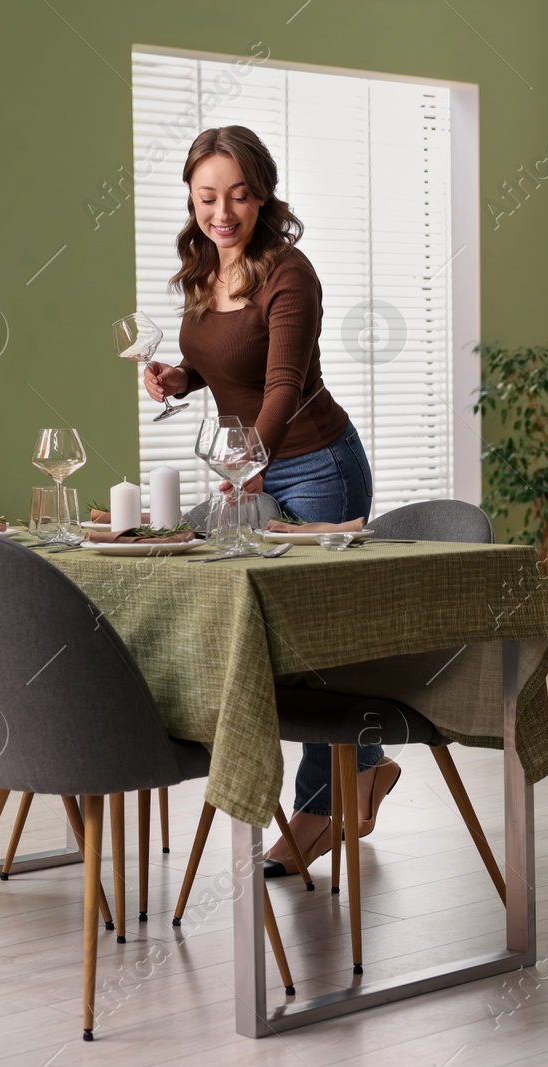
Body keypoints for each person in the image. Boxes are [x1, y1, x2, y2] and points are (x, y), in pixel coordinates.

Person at [143, 125, 402, 877]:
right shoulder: (201, 271)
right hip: (249, 467)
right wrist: (177, 378)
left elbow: (283, 383)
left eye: (238, 196)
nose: (222, 212)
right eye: (207, 197)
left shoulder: (291, 272)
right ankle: (369, 762)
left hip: (316, 463)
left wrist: (244, 461)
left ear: (262, 194)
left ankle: (318, 806)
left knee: (316, 638)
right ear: (192, 199)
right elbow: (218, 363)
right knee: (262, 628)